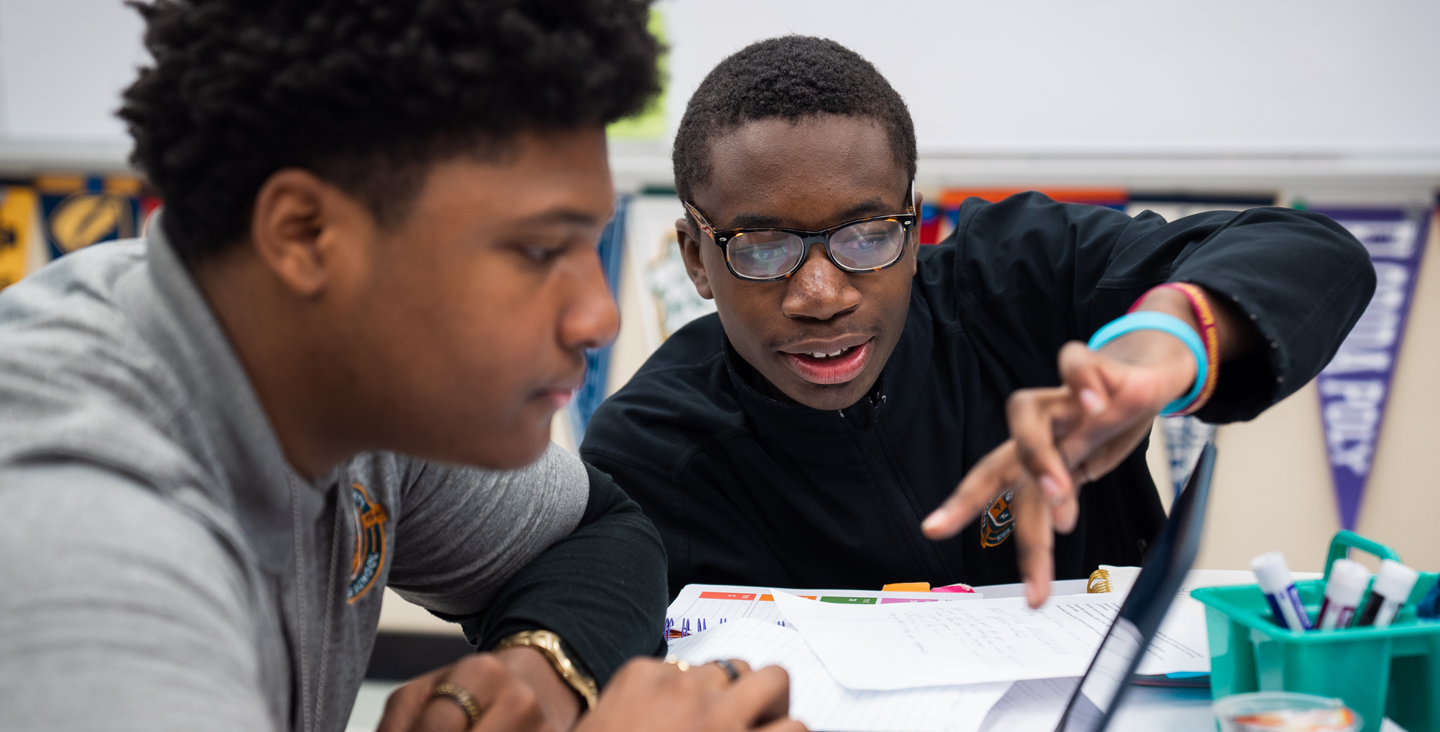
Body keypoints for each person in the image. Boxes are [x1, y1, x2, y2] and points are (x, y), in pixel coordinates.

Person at [0, 2, 802, 732]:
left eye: (590, 244)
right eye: (536, 249)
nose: (599, 315)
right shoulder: (75, 531)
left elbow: (598, 532)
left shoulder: (355, 395)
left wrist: (541, 669)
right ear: (306, 234)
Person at [579, 36, 1375, 607]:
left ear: (916, 227)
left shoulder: (1022, 281)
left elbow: (1312, 252)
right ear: (693, 258)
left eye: (866, 236)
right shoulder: (649, 454)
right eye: (761, 247)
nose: (820, 293)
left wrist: (1159, 338)